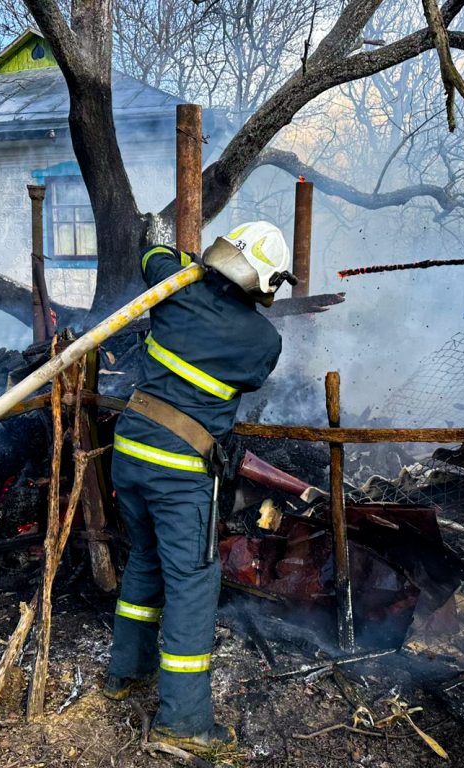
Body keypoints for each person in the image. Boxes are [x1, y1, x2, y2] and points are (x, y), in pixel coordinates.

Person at [102, 221, 294, 752]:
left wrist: (193, 261)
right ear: (265, 282)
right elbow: (252, 379)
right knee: (191, 582)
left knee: (144, 558)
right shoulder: (262, 339)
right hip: (179, 471)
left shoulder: (176, 285)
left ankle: (126, 673)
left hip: (129, 454)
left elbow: (152, 254)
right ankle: (184, 723)